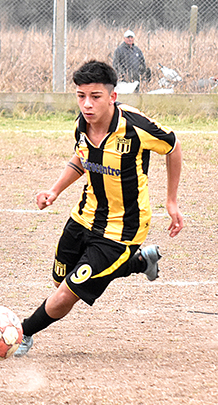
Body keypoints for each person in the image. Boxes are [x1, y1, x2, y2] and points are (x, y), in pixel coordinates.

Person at [14, 60, 183, 357]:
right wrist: (54, 190)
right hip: (84, 217)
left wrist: (171, 201)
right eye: (81, 96)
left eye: (95, 97)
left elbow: (173, 146)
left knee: (66, 294)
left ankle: (21, 333)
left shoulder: (136, 128)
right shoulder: (82, 123)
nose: (87, 104)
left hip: (122, 229)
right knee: (59, 281)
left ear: (112, 97)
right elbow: (81, 158)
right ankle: (140, 262)